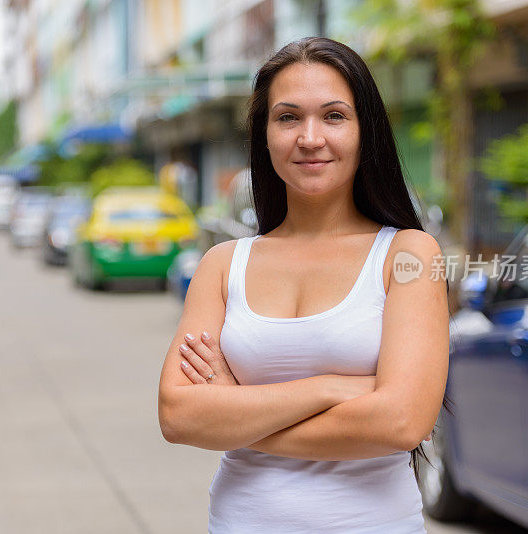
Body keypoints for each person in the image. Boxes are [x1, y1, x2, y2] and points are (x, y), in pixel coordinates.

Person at [157, 37, 449, 533]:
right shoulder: (222, 265)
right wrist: (332, 388)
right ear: (264, 134)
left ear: (365, 131)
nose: (309, 137)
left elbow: (402, 422)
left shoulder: (412, 255)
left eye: (334, 116)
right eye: (288, 117)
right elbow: (179, 414)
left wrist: (241, 415)